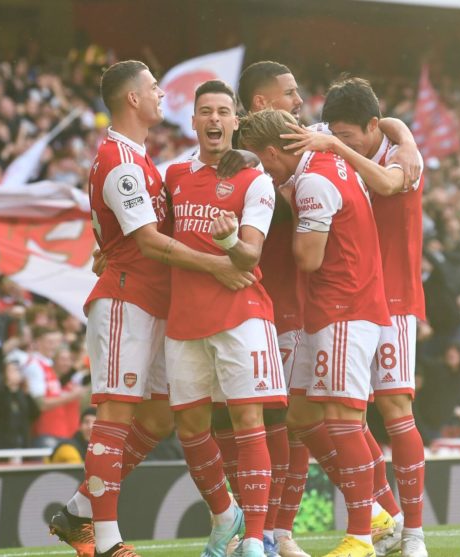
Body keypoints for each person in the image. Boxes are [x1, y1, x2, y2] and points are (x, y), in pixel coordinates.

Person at [50, 60, 257, 557]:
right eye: (154, 87)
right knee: (115, 417)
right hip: (126, 299)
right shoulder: (121, 163)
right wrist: (216, 267)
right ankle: (106, 541)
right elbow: (148, 242)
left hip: (155, 303)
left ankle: (79, 512)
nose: (163, 94)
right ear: (133, 100)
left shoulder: (141, 159)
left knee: (160, 417)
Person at [281, 77, 428, 557]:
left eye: (351, 137)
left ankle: (415, 536)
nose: (341, 145)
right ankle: (382, 521)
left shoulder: (402, 157)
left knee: (395, 411)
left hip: (395, 300)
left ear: (372, 126)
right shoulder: (343, 139)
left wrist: (394, 135)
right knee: (346, 414)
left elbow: (388, 182)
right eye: (336, 136)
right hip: (352, 299)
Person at [238, 108, 390, 557]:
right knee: (302, 417)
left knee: (344, 423)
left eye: (262, 163)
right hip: (329, 310)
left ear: (271, 151)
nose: (263, 173)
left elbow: (307, 258)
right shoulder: (326, 159)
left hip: (344, 307)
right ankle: (383, 516)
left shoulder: (312, 182)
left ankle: (363, 535)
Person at [164, 80, 285, 557]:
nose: (214, 119)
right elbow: (145, 234)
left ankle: (255, 538)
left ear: (237, 121)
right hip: (184, 316)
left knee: (247, 423)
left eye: (223, 112)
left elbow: (249, 256)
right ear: (193, 121)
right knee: (191, 430)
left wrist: (230, 241)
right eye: (205, 112)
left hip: (241, 313)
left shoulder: (256, 181)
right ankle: (224, 517)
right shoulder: (170, 176)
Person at [22, 327, 86, 449]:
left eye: (56, 343)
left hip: (59, 433)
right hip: (45, 433)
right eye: (49, 342)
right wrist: (71, 396)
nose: (54, 347)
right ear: (38, 343)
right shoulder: (35, 365)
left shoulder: (48, 367)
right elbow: (41, 404)